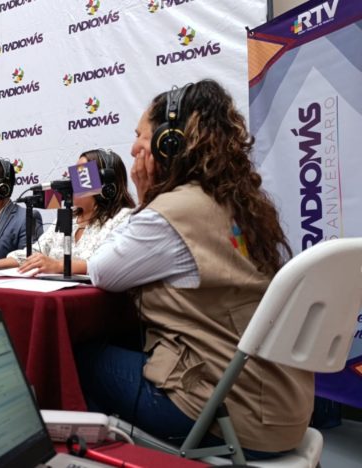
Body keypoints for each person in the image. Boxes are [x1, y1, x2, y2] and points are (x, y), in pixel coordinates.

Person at [78, 80, 313, 457]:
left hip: (233, 417)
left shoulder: (175, 210)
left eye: (140, 136)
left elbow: (103, 271)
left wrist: (148, 197)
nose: (133, 149)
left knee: (77, 356)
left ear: (168, 142)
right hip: (279, 407)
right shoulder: (240, 204)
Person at [0, 149, 134, 274]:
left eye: (81, 174)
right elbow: (36, 252)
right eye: (73, 174)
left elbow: (107, 265)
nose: (72, 181)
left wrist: (58, 265)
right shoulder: (68, 217)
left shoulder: (123, 218)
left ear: (106, 185)